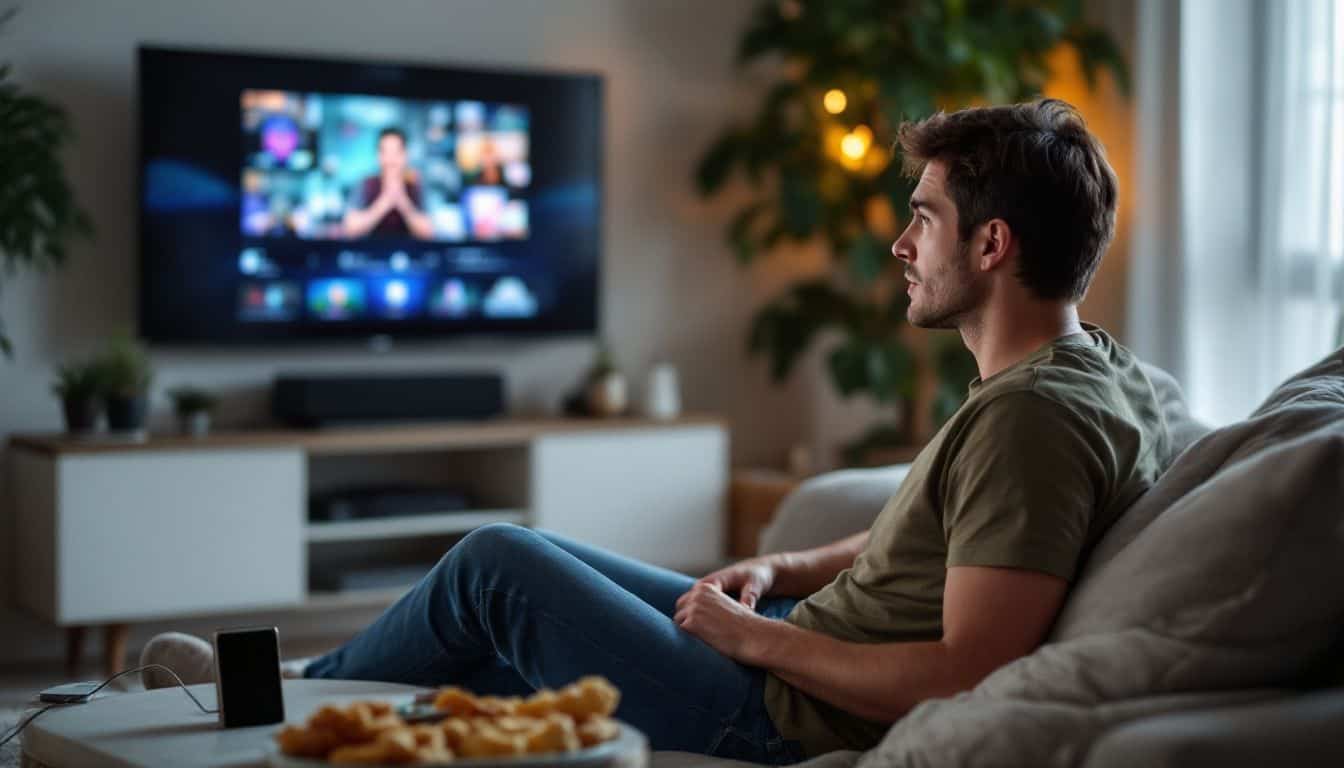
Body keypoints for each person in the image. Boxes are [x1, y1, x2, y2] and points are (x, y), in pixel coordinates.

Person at [143, 99, 1170, 764]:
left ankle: (279, 709)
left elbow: (965, 672)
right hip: (788, 655)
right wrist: (788, 566)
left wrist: (756, 640)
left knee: (496, 563)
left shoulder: (1032, 420)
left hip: (775, 714)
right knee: (518, 591)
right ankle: (306, 699)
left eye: (924, 218)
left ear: (992, 244)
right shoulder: (1086, 368)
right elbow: (953, 535)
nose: (900, 245)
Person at [342, 127, 435, 239]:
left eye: (396, 152)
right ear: (378, 155)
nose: (390, 159)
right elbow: (350, 229)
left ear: (405, 155)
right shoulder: (366, 184)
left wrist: (402, 201)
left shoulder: (416, 186)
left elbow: (429, 232)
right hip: (371, 253)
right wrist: (384, 202)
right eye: (385, 152)